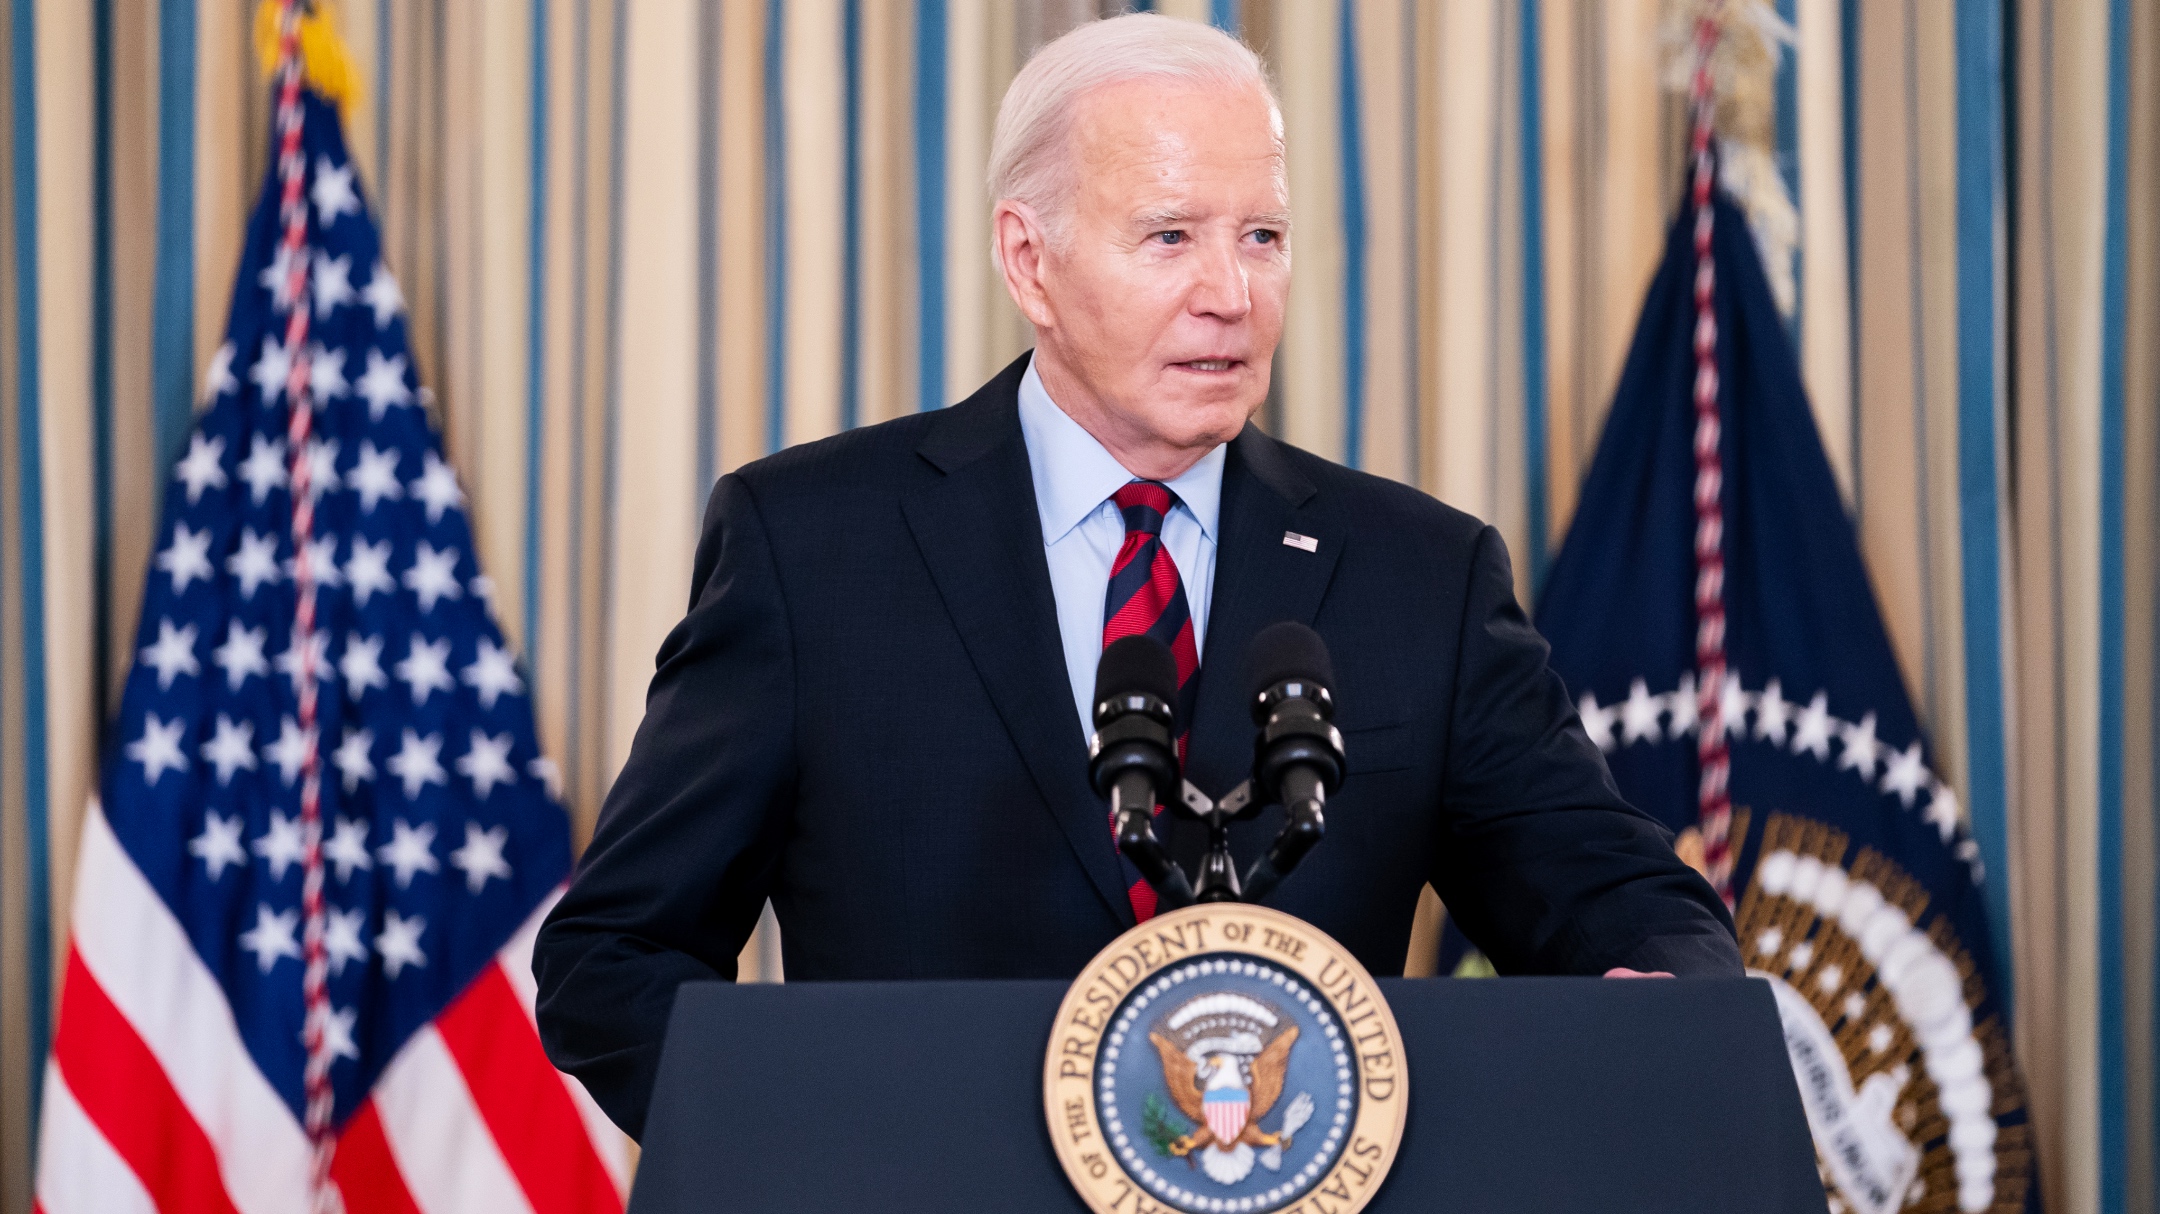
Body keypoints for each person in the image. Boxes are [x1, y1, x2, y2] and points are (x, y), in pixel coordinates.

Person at [534, 13, 1741, 1140]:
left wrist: (1658, 988)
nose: (1232, 294)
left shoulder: (1420, 573)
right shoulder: (810, 545)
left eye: (1260, 236)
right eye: (1170, 236)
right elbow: (616, 955)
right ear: (1030, 258)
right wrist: (829, 1149)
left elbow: (1622, 897)